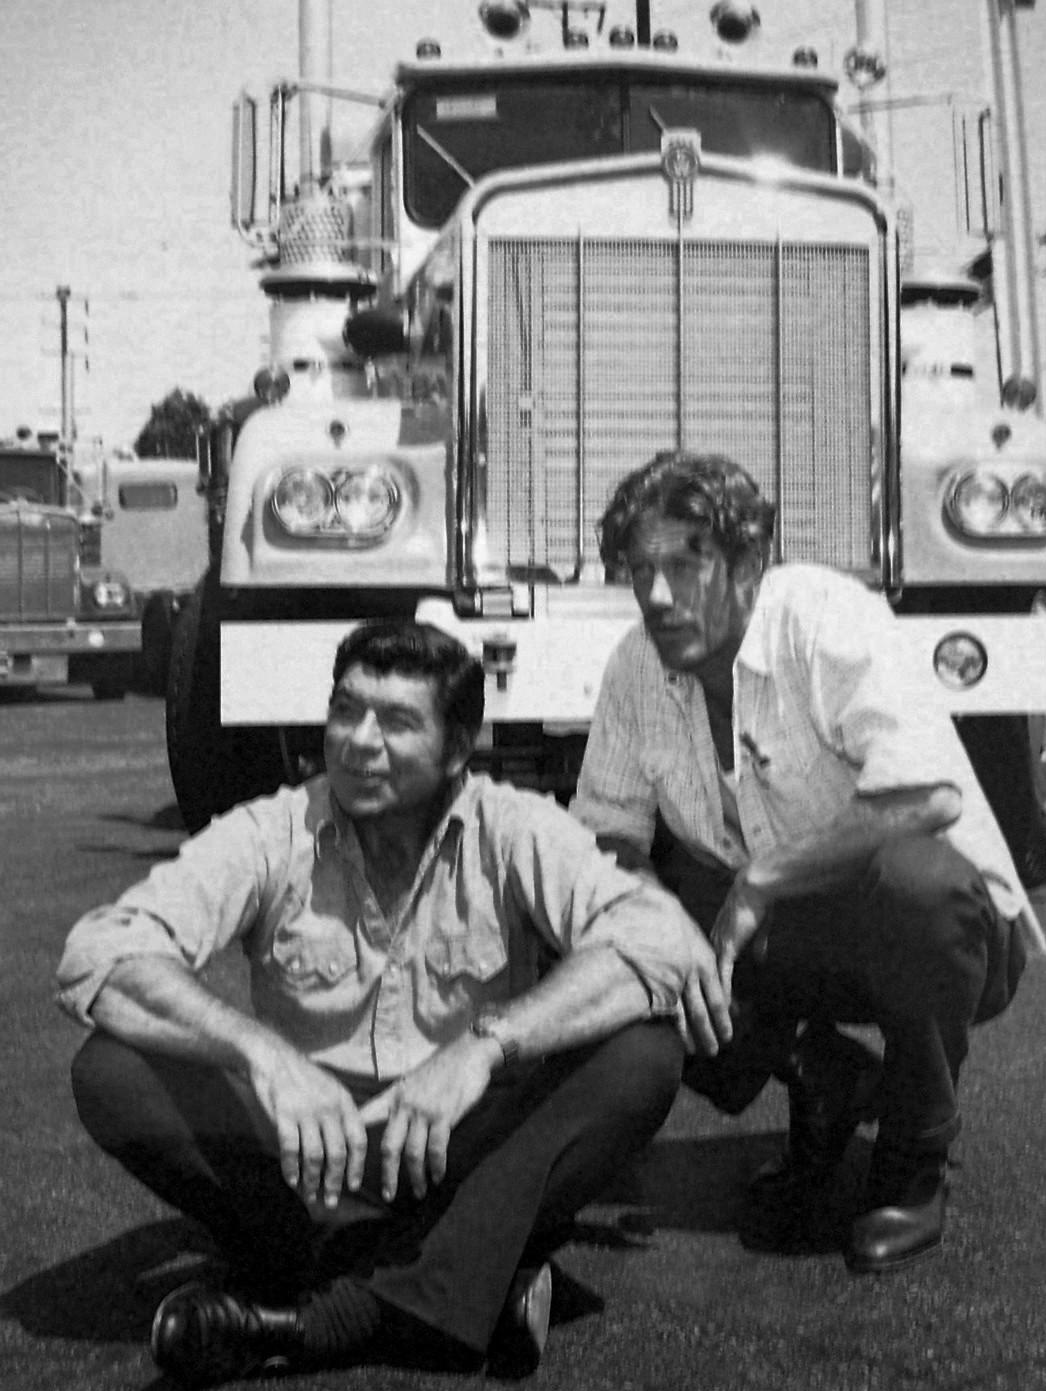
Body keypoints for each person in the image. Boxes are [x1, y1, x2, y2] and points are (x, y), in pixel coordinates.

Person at [57, 619, 728, 1387]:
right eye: (346, 710)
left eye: (397, 721)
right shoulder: (272, 829)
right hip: (312, 1158)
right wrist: (261, 1052)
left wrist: (485, 1048)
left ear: (456, 748)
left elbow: (652, 937)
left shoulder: (514, 825)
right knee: (112, 1069)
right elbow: (98, 952)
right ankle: (465, 1273)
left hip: (465, 1148)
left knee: (643, 1052)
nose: (359, 741)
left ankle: (328, 1314)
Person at [571, 449, 1042, 1274]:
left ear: (749, 564)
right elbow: (605, 832)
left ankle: (915, 1154)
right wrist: (651, 917)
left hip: (949, 936)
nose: (657, 595)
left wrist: (764, 878)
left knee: (919, 886)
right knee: (589, 920)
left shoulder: (824, 616)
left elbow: (926, 798)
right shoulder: (636, 665)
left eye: (686, 564)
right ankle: (818, 1072)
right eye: (640, 569)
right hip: (782, 935)